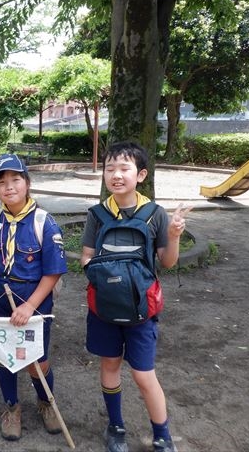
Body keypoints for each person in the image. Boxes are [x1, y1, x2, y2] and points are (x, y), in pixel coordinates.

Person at [80, 141, 190, 452]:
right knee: (110, 364)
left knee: (143, 374)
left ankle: (162, 433)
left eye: (124, 168)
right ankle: (115, 427)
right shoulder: (98, 215)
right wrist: (109, 274)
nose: (116, 175)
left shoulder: (154, 214)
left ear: (140, 174)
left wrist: (173, 236)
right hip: (104, 307)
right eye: (110, 168)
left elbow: (167, 263)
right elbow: (86, 258)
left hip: (142, 310)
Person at [0, 153, 68, 442]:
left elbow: (53, 273)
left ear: (27, 183)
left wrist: (29, 306)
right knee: (4, 356)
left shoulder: (44, 222)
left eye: (16, 180)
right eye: (1, 182)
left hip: (33, 301)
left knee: (35, 360)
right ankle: (12, 407)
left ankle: (46, 402)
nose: (9, 187)